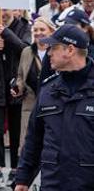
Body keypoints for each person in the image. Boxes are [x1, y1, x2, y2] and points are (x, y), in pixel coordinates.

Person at [14, 25, 94, 190]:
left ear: (70, 50)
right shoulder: (48, 90)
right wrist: (23, 179)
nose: (48, 53)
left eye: (54, 48)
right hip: (54, 182)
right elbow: (34, 139)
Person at [0, 9, 30, 187]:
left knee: (16, 131)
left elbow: (25, 49)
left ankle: (16, 170)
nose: (6, 11)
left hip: (16, 85)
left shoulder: (24, 26)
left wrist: (6, 34)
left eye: (10, 8)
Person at [13, 17, 55, 152]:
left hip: (52, 105)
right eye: (35, 30)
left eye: (42, 29)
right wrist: (18, 87)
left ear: (51, 32)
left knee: (49, 147)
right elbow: (20, 75)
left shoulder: (57, 51)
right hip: (30, 105)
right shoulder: (27, 52)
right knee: (28, 148)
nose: (38, 33)